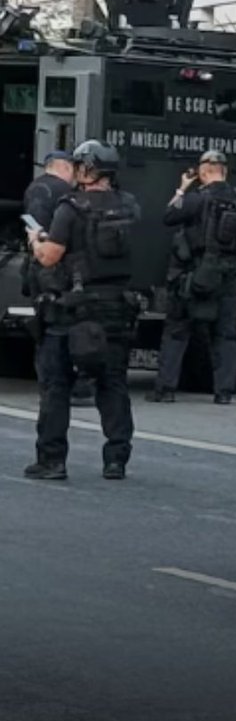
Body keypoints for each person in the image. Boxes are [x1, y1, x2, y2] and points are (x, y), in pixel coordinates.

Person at [24, 140, 140, 480]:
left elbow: (50, 256)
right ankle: (116, 458)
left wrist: (36, 240)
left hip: (73, 312)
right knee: (113, 383)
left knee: (56, 384)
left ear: (87, 170)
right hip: (117, 309)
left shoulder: (70, 207)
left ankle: (52, 460)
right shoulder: (129, 205)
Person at [149, 150, 236, 405]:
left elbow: (169, 216)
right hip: (231, 273)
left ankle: (165, 389)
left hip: (197, 273)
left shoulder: (196, 200)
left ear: (204, 172)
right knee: (226, 332)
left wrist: (182, 188)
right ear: (225, 171)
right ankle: (224, 392)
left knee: (177, 329)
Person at [21, 151, 96, 407]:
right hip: (60, 267)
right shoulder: (68, 195)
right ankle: (77, 386)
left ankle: (51, 384)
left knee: (47, 327)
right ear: (64, 167)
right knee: (72, 325)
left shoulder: (36, 188)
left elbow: (34, 228)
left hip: (43, 265)